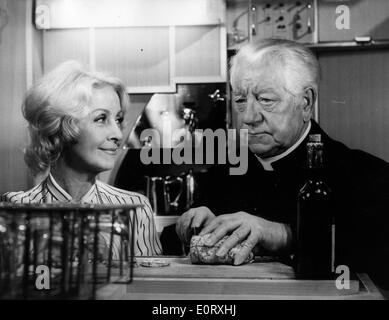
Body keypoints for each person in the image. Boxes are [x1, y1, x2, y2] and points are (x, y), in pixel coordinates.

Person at [176, 39, 389, 289]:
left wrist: (283, 235)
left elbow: (375, 258)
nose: (248, 117)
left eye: (266, 99)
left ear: (306, 103)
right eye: (241, 100)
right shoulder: (223, 171)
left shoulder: (364, 175)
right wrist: (194, 227)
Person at [1, 60, 162, 257]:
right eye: (101, 119)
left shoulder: (136, 210)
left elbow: (149, 287)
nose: (118, 134)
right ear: (63, 127)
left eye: (118, 119)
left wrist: (108, 260)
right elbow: (15, 286)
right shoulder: (17, 210)